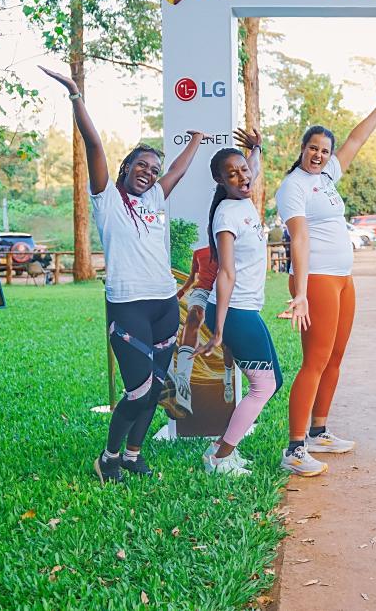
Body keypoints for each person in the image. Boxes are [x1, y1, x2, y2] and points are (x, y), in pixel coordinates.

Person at [40, 65, 206, 484]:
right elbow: (94, 144)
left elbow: (179, 171)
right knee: (139, 390)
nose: (149, 172)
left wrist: (198, 142)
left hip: (165, 306)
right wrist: (77, 97)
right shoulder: (107, 200)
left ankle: (134, 454)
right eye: (141, 165)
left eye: (153, 167)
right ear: (126, 166)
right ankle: (109, 456)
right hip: (128, 306)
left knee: (157, 389)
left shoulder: (156, 197)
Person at [277, 79, 376, 477]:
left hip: (342, 278)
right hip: (318, 280)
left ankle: (319, 431)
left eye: (324, 151)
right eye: (313, 148)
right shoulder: (293, 186)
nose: (320, 155)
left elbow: (355, 141)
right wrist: (300, 290)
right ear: (302, 149)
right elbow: (298, 237)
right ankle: (295, 448)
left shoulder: (327, 177)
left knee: (335, 356)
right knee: (314, 360)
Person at [197, 138, 281, 476]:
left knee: (273, 379)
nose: (242, 177)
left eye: (243, 171)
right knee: (264, 385)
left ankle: (220, 450)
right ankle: (219, 458)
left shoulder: (243, 195)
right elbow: (226, 272)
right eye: (232, 175)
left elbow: (252, 170)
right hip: (235, 311)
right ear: (220, 181)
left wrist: (255, 150)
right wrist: (218, 330)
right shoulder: (226, 215)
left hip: (247, 309)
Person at [171, 243, 235, 410]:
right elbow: (192, 278)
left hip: (223, 292)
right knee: (193, 318)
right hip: (202, 292)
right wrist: (180, 293)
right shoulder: (199, 252)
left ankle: (227, 380)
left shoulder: (228, 249)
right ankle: (183, 378)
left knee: (227, 342)